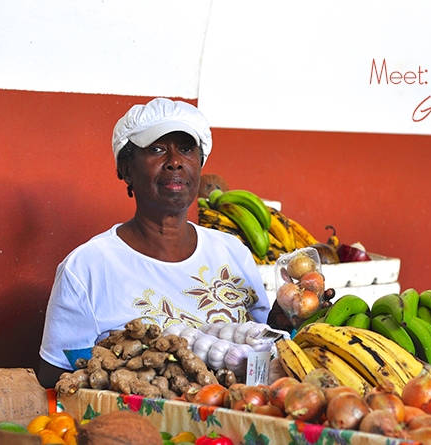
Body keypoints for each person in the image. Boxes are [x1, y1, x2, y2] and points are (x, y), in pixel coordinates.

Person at [37, 98, 274, 388]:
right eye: (157, 149)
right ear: (125, 170)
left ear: (199, 164)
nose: (175, 161)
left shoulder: (232, 251)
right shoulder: (88, 267)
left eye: (186, 149)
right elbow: (55, 379)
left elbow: (266, 344)